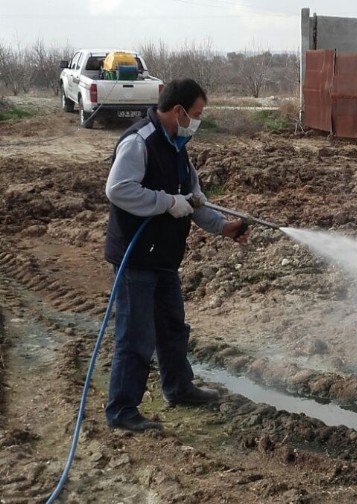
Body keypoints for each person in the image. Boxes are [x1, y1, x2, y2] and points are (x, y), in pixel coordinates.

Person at [103, 78, 248, 432]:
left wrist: (222, 227)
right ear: (178, 110)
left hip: (164, 256)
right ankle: (122, 410)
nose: (198, 120)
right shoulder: (140, 142)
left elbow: (194, 199)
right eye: (196, 114)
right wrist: (166, 203)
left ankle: (178, 388)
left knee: (172, 329)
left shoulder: (179, 145)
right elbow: (118, 189)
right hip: (135, 256)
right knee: (135, 336)